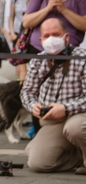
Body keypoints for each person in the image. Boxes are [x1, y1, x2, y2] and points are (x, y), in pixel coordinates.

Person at [20, 18, 86, 174]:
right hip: (52, 122)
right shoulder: (38, 60)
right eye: (47, 36)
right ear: (41, 40)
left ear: (66, 37)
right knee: (38, 163)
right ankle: (78, 156)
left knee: (74, 128)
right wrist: (32, 105)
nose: (51, 40)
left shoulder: (82, 58)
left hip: (79, 117)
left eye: (56, 34)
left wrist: (66, 109)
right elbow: (27, 91)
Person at [8, 0, 38, 81]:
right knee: (19, 61)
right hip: (18, 33)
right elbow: (11, 16)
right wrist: (11, 32)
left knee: (31, 61)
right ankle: (20, 84)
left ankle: (30, 82)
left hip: (31, 32)